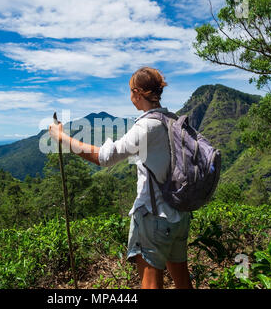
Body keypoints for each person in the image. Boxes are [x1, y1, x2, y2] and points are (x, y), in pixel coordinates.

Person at [48, 67, 193, 289]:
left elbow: (106, 157)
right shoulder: (172, 121)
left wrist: (61, 138)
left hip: (154, 217)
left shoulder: (147, 125)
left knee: (151, 283)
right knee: (182, 281)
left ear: (136, 92)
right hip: (179, 215)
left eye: (130, 91)